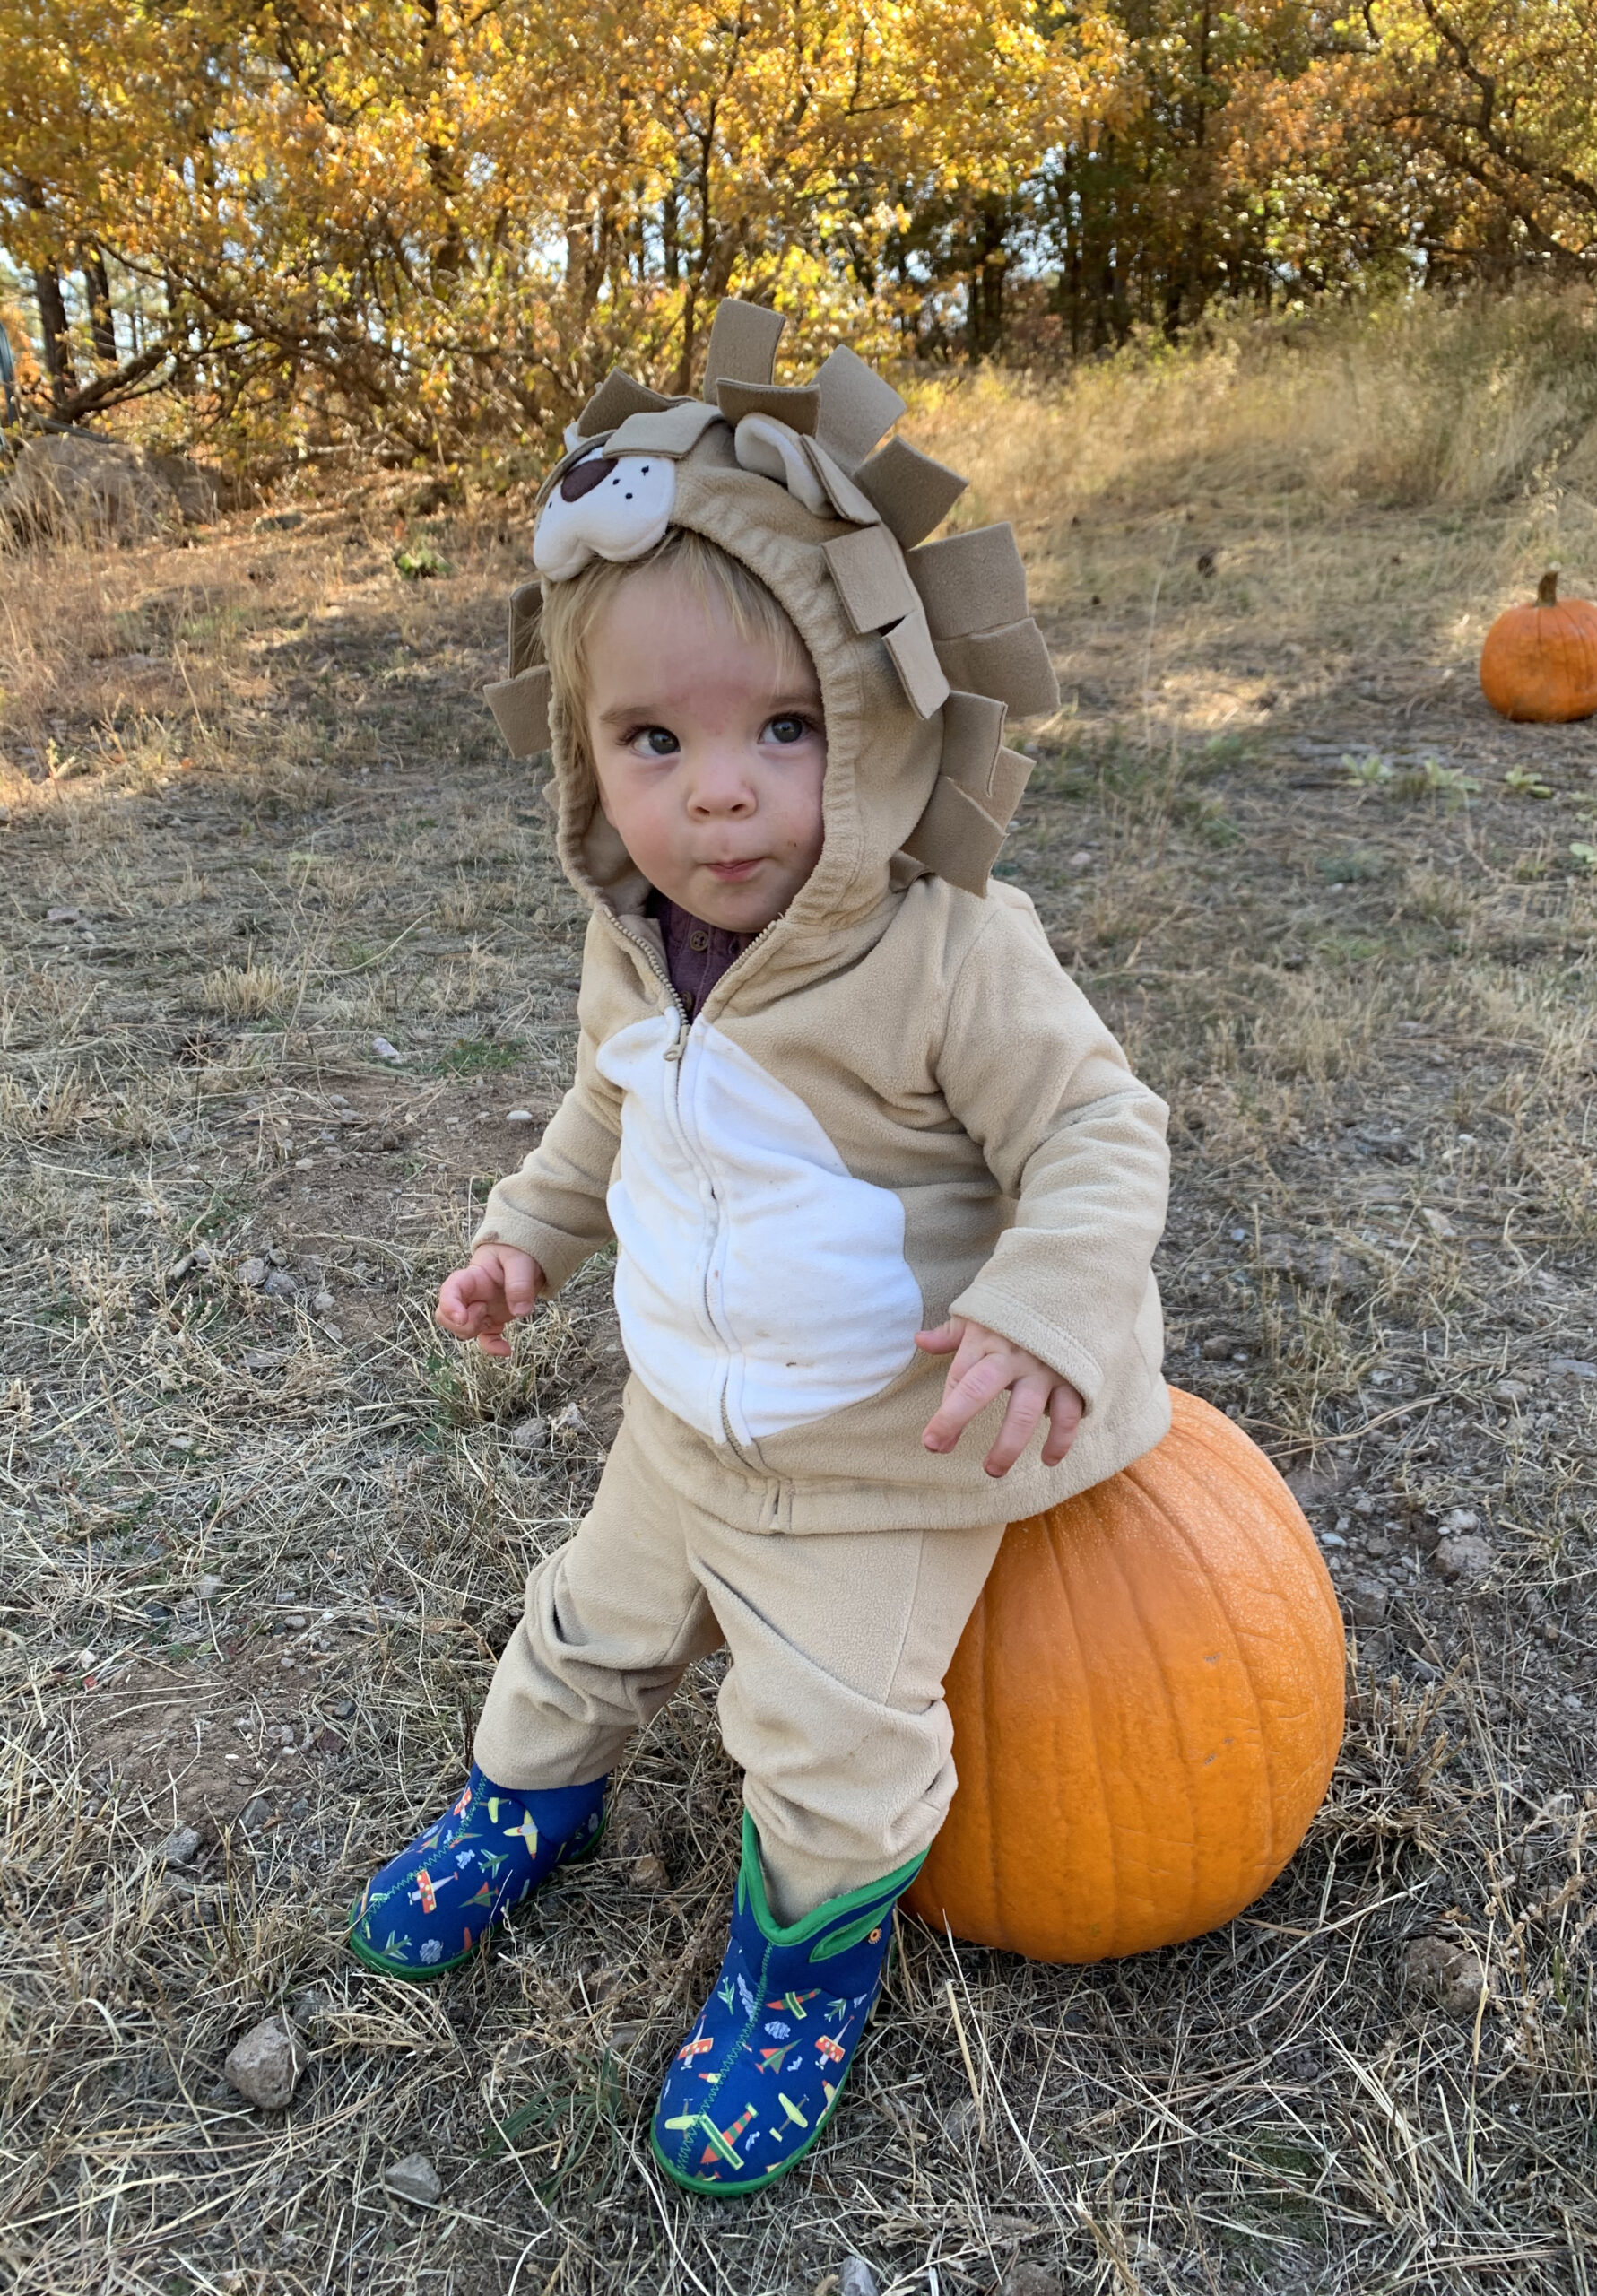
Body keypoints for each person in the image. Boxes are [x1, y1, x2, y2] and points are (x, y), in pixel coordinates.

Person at [347, 305, 1171, 2196]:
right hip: (685, 1414)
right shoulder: (635, 938)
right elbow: (604, 1112)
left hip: (887, 1447)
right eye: (657, 738)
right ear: (587, 760)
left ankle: (801, 1962)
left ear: (869, 729)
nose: (719, 789)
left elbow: (1100, 1128)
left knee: (832, 1733)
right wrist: (522, 1239)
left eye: (782, 727)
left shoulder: (947, 949)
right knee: (586, 1620)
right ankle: (519, 1805)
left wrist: (1043, 1306)